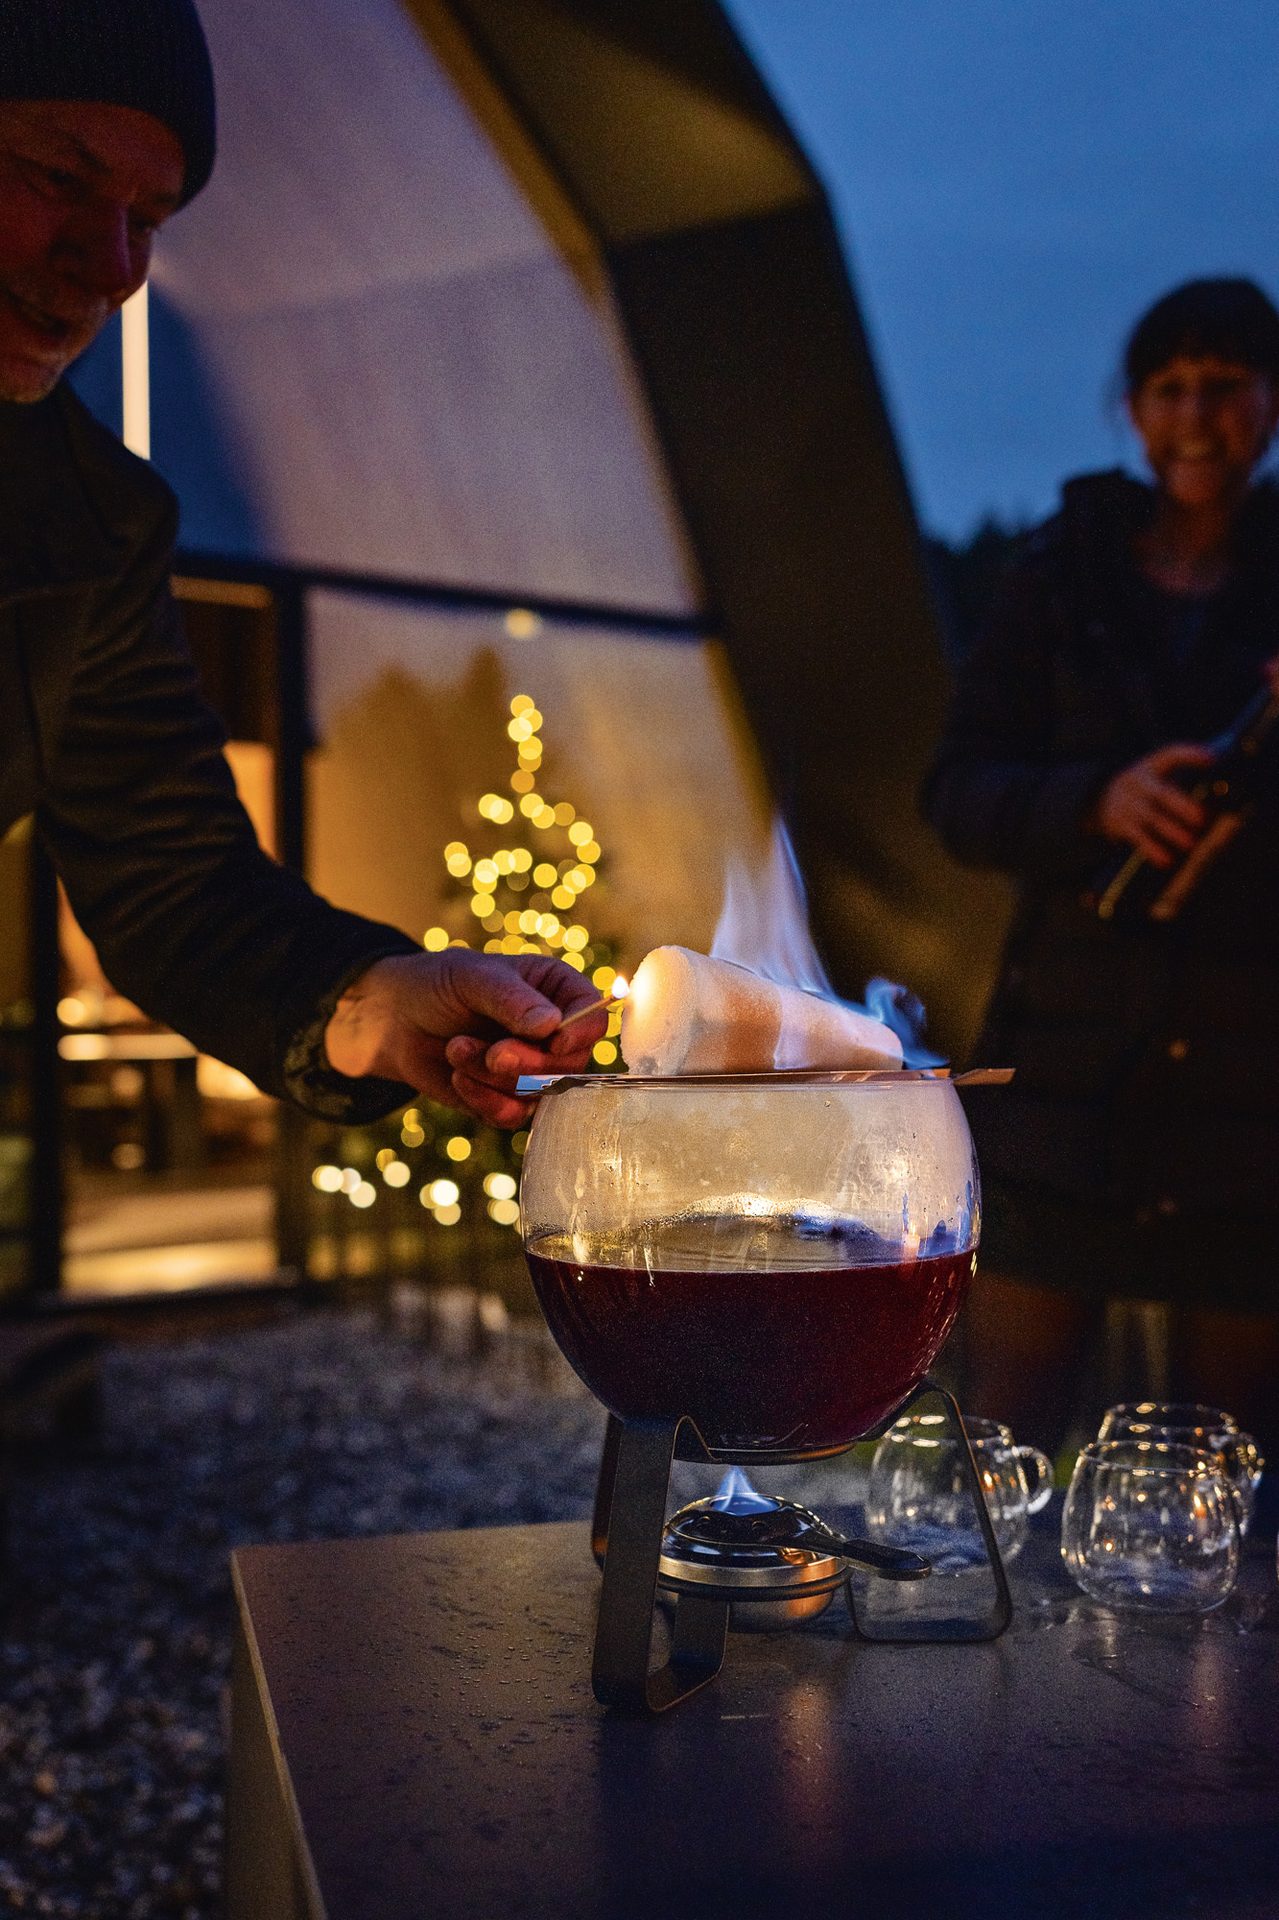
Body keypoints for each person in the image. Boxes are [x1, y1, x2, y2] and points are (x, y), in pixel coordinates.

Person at [1, 0, 604, 1136]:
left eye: (149, 218)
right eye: (53, 174)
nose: (111, 264)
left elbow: (178, 886)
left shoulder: (92, 527)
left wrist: (386, 1005)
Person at [924, 278, 1279, 1445]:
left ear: (1267, 403)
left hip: (1250, 1097)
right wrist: (1095, 802)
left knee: (1232, 1472)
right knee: (1001, 1441)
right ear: (1130, 411)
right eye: (1169, 389)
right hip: (1068, 1081)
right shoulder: (1059, 572)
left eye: (1223, 386)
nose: (1195, 417)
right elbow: (958, 791)